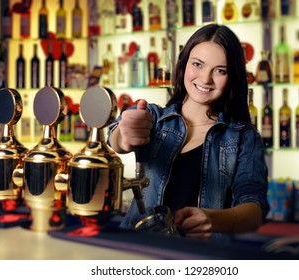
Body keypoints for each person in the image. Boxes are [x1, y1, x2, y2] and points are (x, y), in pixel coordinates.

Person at [108, 23, 269, 244]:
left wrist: (213, 219)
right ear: (183, 65)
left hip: (201, 257)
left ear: (233, 77)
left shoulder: (243, 138)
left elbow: (253, 211)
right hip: (137, 250)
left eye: (220, 71)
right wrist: (125, 133)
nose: (205, 79)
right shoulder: (153, 118)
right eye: (198, 64)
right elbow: (116, 137)